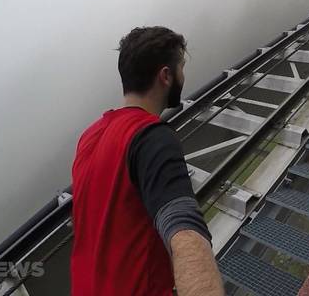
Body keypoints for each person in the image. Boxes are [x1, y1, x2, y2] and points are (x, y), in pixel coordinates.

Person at [70, 26, 224, 296]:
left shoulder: (89, 136)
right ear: (166, 75)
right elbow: (182, 226)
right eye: (181, 67)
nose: (183, 75)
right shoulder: (151, 136)